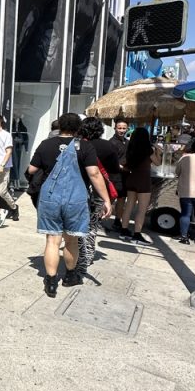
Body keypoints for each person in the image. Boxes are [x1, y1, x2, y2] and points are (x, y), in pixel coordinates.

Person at [27, 112, 111, 297]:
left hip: (50, 198)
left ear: (59, 126)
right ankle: (70, 276)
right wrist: (106, 199)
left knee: (52, 240)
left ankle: (50, 282)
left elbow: (32, 169)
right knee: (71, 239)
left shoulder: (46, 144)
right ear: (78, 128)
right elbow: (94, 174)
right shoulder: (85, 146)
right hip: (76, 198)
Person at [75, 117, 121, 275]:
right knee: (92, 224)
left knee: (77, 222)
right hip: (99, 190)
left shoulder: (77, 144)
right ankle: (87, 255)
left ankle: (77, 253)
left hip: (79, 188)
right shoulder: (108, 146)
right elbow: (115, 168)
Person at [119, 126, 157, 244]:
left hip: (131, 179)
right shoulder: (148, 150)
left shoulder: (131, 149)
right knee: (141, 209)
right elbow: (158, 162)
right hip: (143, 181)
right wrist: (158, 152)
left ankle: (124, 230)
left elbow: (123, 163)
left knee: (129, 206)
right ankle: (137, 234)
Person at [109, 118, 129, 231]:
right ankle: (97, 220)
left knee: (122, 199)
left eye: (124, 128)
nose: (121, 130)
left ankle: (117, 221)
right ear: (115, 128)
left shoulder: (127, 142)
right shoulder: (111, 142)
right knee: (110, 199)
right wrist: (124, 167)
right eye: (119, 128)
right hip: (114, 176)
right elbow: (112, 161)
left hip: (124, 176)